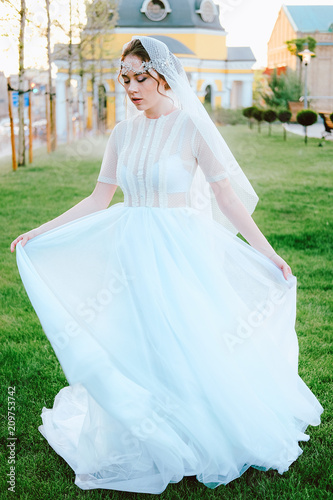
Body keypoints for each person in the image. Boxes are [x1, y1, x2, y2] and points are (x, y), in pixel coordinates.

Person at [10, 36, 323, 494]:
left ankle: (200, 429)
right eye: (126, 79)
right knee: (136, 340)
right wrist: (40, 231)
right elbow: (100, 197)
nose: (132, 87)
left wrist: (267, 251)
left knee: (187, 337)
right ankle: (140, 434)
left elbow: (227, 198)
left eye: (141, 77)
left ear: (163, 75)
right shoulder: (122, 133)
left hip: (179, 251)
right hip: (129, 250)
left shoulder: (192, 127)